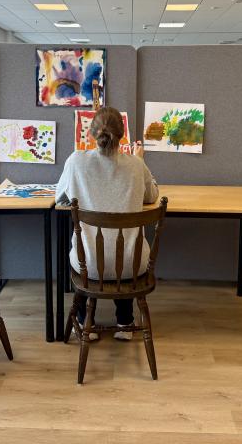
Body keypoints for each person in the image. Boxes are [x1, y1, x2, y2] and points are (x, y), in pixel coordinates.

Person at [56, 107, 159, 341]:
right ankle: (125, 321)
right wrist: (140, 161)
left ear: (92, 134)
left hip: (90, 266)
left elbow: (59, 198)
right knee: (123, 251)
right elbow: (152, 196)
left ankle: (84, 322)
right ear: (122, 135)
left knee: (90, 252)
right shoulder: (135, 165)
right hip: (134, 267)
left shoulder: (76, 161)